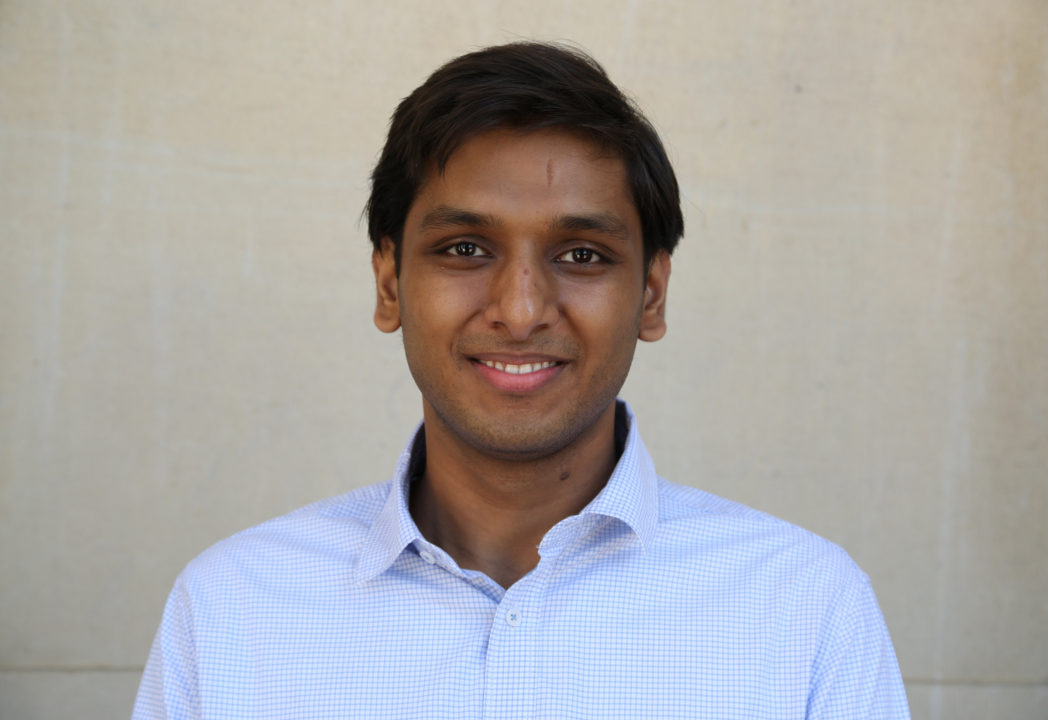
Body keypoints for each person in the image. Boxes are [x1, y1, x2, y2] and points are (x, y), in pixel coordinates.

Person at [133, 42, 910, 719]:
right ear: (389, 282)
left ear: (651, 293)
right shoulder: (234, 608)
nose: (521, 309)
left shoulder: (804, 610)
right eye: (465, 249)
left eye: (581, 255)